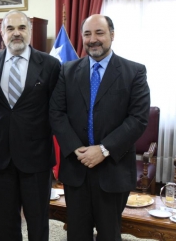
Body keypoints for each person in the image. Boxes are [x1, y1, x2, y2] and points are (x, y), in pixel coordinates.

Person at [49, 14, 150, 241]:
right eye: (87, 34)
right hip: (77, 169)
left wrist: (103, 149)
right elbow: (56, 113)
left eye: (99, 33)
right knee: (76, 233)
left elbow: (138, 118)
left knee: (109, 234)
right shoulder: (67, 71)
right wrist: (76, 149)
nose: (93, 39)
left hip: (113, 169)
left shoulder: (134, 72)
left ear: (112, 35)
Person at [0, 10, 61, 240]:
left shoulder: (50, 65)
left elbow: (57, 111)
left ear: (30, 32)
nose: (16, 33)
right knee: (5, 220)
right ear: (2, 33)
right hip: (1, 155)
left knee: (37, 220)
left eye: (22, 28)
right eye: (10, 28)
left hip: (36, 157)